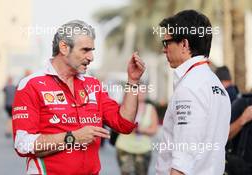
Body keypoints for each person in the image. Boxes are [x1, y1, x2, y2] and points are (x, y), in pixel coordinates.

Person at [12, 20, 145, 175]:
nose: (91, 57)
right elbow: (23, 144)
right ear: (64, 47)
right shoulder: (32, 84)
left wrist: (133, 82)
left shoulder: (93, 84)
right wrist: (72, 138)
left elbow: (125, 123)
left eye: (92, 50)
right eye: (85, 50)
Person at [155, 10, 231, 175]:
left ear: (184, 44)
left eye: (166, 43)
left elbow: (182, 161)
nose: (164, 50)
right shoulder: (216, 84)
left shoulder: (190, 87)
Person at [115, 91, 158, 175]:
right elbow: (117, 125)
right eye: (139, 91)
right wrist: (129, 127)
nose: (141, 93)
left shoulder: (150, 108)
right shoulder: (125, 106)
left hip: (143, 149)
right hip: (124, 147)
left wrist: (142, 130)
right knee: (126, 172)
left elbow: (154, 129)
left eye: (143, 91)